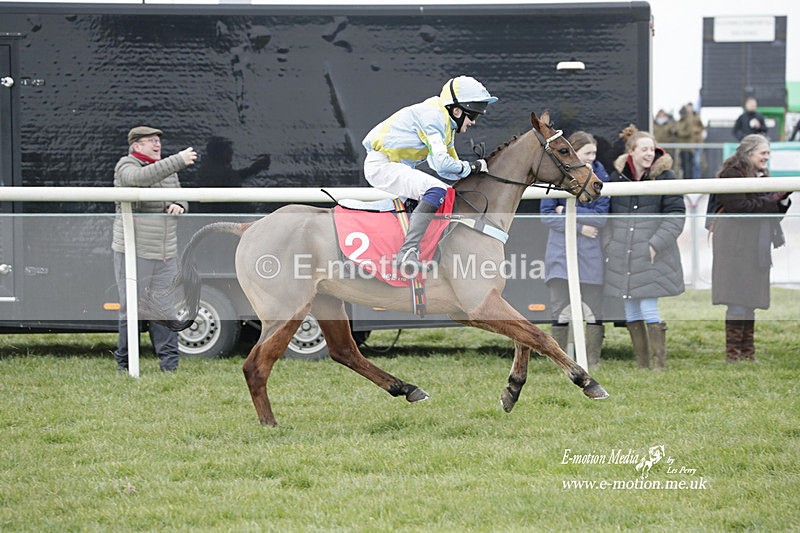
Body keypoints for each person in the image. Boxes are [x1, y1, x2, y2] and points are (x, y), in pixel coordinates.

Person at [361, 75, 497, 271]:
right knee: (435, 189)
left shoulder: (445, 124)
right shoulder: (434, 117)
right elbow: (442, 165)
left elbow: (448, 168)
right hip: (382, 165)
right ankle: (407, 252)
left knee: (443, 190)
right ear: (457, 111)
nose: (473, 122)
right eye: (473, 115)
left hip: (394, 165)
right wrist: (472, 167)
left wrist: (471, 171)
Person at [112, 126, 197, 372]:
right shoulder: (125, 166)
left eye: (158, 140)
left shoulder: (166, 169)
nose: (157, 144)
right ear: (136, 146)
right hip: (133, 252)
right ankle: (125, 364)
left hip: (165, 254)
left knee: (165, 308)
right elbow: (140, 180)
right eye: (150, 141)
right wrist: (178, 160)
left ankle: (170, 366)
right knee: (132, 308)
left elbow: (179, 196)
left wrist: (180, 205)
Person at [603, 125, 686, 370]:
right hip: (623, 253)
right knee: (630, 308)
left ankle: (658, 365)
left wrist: (655, 244)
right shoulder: (616, 177)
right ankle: (642, 364)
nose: (650, 154)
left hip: (652, 255)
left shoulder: (666, 176)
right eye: (644, 149)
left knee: (649, 306)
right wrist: (610, 244)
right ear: (631, 151)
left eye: (652, 149)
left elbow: (676, 215)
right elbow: (607, 215)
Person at [710, 134, 791, 363]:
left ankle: (748, 353)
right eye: (763, 153)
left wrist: (781, 201)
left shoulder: (762, 175)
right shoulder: (731, 175)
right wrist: (774, 198)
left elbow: (769, 212)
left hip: (755, 246)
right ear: (748, 153)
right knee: (737, 299)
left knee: (750, 300)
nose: (767, 157)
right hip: (734, 247)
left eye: (768, 153)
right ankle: (733, 356)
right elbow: (741, 207)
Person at [540, 131, 610, 369]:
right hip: (560, 255)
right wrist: (581, 228)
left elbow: (601, 218)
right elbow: (547, 215)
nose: (592, 157)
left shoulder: (601, 177)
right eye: (588, 153)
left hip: (591, 256)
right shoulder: (555, 176)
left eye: (594, 153)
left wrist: (567, 212)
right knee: (560, 309)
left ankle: (593, 361)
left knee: (593, 309)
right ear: (575, 153)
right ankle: (559, 361)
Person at [675, 103, 705, 179]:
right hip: (684, 146)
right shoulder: (681, 120)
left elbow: (699, 128)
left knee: (695, 164)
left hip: (693, 145)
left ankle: (696, 180)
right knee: (685, 166)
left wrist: (679, 132)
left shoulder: (695, 117)